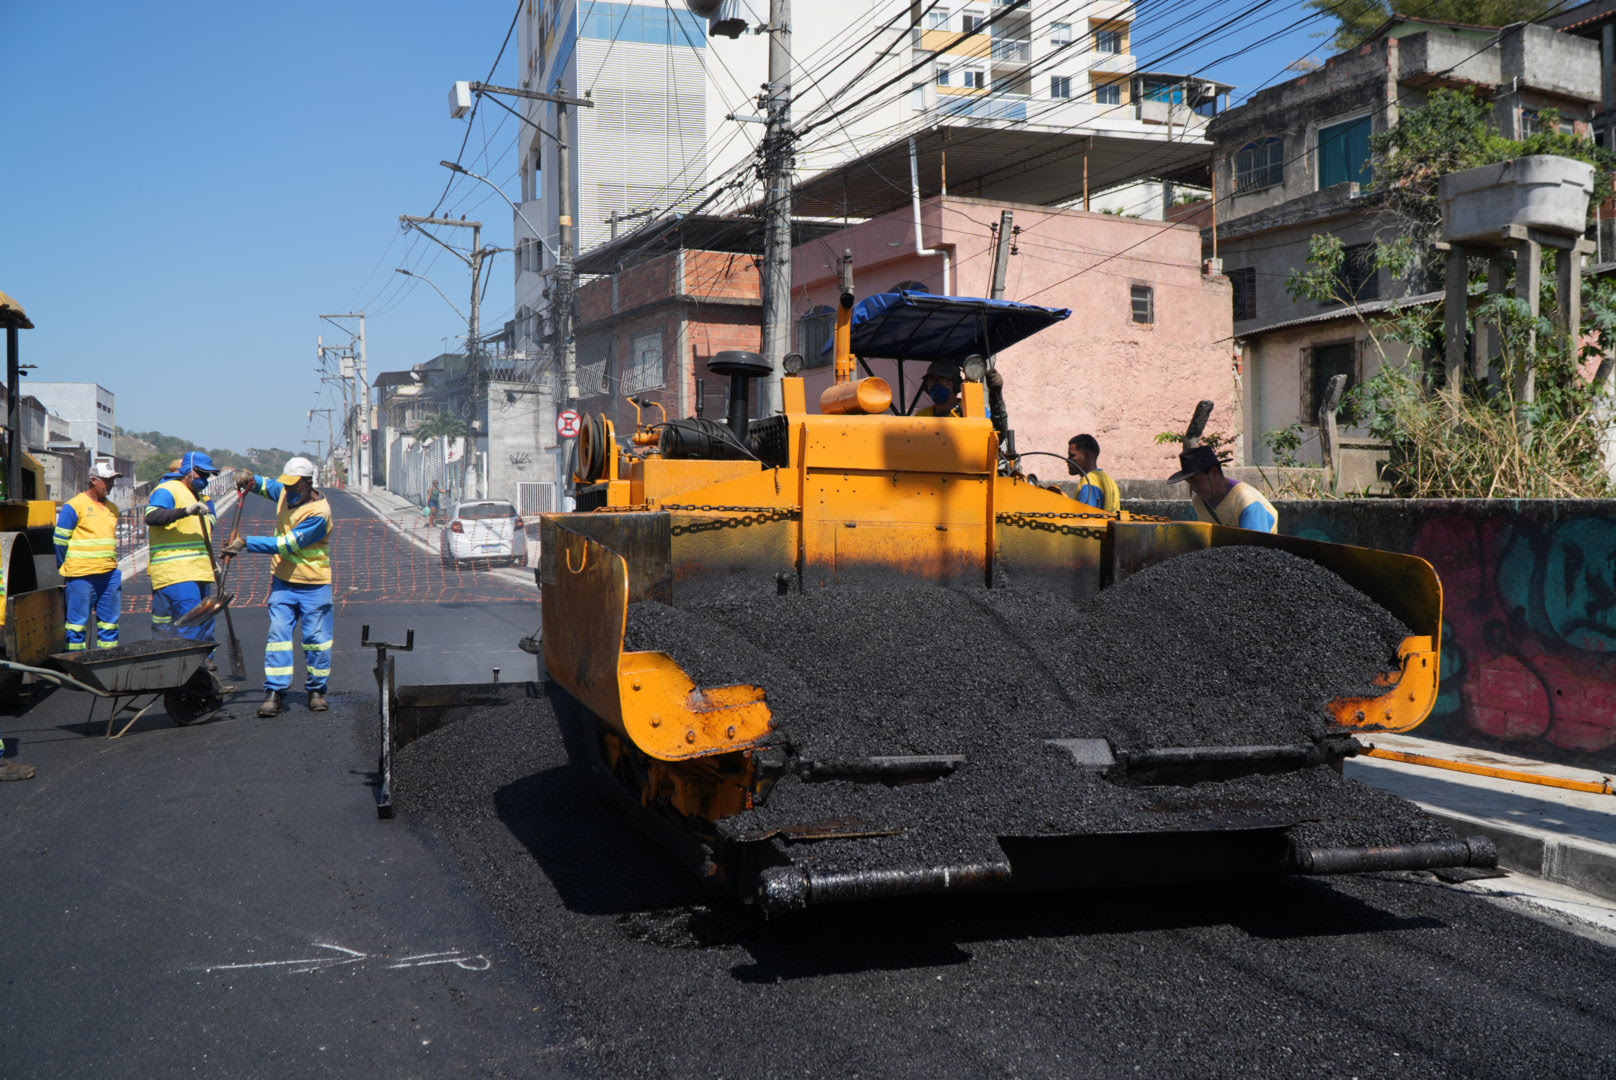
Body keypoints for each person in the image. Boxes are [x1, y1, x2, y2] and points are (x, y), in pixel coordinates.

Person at [223, 457, 335, 717]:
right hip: (283, 582)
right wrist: (248, 479)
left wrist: (245, 542)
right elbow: (265, 485)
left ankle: (317, 690)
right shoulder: (286, 491)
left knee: (316, 641)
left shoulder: (319, 513)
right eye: (288, 484)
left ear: (308, 483)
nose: (290, 489)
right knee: (278, 638)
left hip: (314, 584)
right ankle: (274, 691)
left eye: (296, 485)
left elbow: (287, 544)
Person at [144, 451, 221, 648]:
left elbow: (207, 524)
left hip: (200, 570)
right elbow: (152, 517)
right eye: (201, 473)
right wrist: (185, 512)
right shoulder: (168, 490)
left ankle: (206, 668)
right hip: (176, 570)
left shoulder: (201, 497)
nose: (204, 478)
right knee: (191, 623)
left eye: (207, 475)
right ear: (187, 470)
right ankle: (190, 671)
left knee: (205, 623)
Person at [54, 461, 123, 651]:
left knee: (109, 625)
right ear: (93, 480)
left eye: (112, 481)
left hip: (109, 575)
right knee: (77, 626)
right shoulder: (74, 506)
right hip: (82, 576)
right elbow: (60, 542)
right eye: (106, 481)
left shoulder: (113, 509)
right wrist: (67, 566)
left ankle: (106, 665)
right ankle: (77, 669)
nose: (110, 485)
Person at [1167, 444, 1278, 533]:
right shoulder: (1199, 501)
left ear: (1214, 472)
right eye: (1189, 483)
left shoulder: (1248, 501)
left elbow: (1256, 550)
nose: (1194, 488)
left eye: (1197, 481)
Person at [1066, 434, 1121, 512]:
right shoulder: (1107, 480)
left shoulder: (1089, 483)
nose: (1067, 460)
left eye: (1072, 456)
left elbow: (1085, 519)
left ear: (1087, 455)